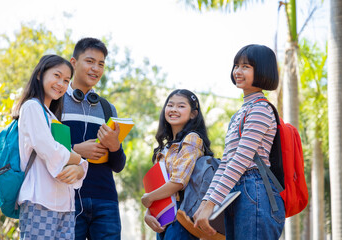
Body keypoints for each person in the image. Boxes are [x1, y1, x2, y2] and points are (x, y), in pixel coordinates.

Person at [194, 44, 285, 239]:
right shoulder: (240, 113)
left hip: (256, 190)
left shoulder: (261, 109)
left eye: (246, 66)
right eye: (236, 65)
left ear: (262, 70)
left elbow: (241, 160)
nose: (238, 71)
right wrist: (206, 202)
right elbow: (226, 163)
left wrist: (211, 204)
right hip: (237, 191)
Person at [14, 54, 88, 239]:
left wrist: (80, 169)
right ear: (39, 74)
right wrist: (79, 160)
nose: (61, 84)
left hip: (66, 205)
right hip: (39, 200)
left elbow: (66, 155)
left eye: (66, 80)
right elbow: (50, 150)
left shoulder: (53, 118)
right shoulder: (31, 107)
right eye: (56, 75)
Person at [61, 37, 126, 239]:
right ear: (73, 63)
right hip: (66, 198)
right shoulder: (55, 102)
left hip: (105, 200)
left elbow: (118, 164)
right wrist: (77, 150)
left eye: (100, 64)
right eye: (89, 61)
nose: (95, 69)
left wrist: (115, 146)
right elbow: (42, 149)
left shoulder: (108, 108)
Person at [141, 89, 212, 240]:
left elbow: (178, 182)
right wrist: (148, 213)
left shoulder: (192, 139)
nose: (173, 109)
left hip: (181, 214)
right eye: (170, 105)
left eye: (181, 106)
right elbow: (159, 186)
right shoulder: (165, 148)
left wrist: (148, 198)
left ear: (193, 114)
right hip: (162, 216)